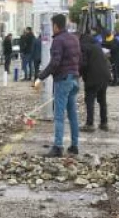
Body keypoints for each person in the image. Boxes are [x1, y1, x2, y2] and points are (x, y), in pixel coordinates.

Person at [35, 14, 81, 157]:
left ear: (55, 26)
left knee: (59, 115)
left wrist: (40, 77)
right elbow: (80, 58)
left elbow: (55, 63)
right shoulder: (74, 38)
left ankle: (58, 146)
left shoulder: (58, 41)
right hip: (74, 79)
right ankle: (74, 146)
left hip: (63, 80)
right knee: (73, 114)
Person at [79, 34, 111, 132]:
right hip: (105, 76)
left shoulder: (84, 47)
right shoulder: (98, 47)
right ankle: (104, 123)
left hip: (93, 77)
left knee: (89, 100)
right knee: (102, 100)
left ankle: (90, 124)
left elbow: (83, 64)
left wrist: (79, 73)